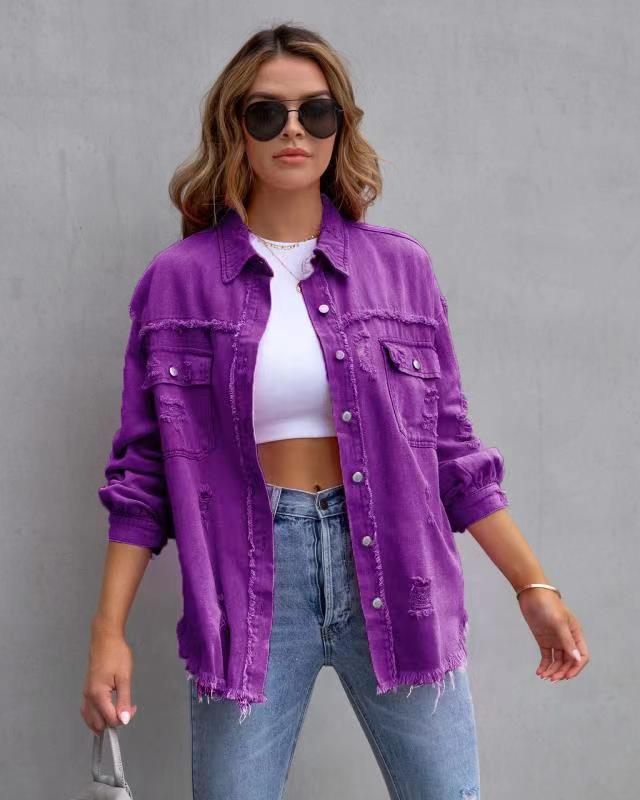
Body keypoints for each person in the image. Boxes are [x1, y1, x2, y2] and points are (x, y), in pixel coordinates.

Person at [81, 23, 590, 800]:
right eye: (267, 113)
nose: (292, 130)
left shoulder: (401, 270)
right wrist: (108, 632)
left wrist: (534, 587)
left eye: (314, 112)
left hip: (398, 569)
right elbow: (143, 477)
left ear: (339, 127)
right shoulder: (178, 281)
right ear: (234, 128)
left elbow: (454, 453)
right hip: (250, 583)